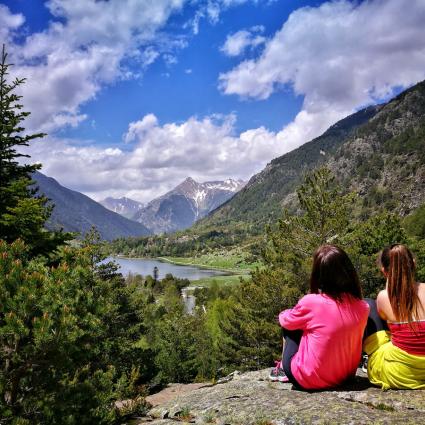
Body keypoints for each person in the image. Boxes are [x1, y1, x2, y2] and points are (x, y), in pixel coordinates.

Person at [269, 245, 369, 390]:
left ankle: (284, 369)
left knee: (290, 327)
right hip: (345, 377)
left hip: (308, 379)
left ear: (318, 275)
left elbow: (285, 320)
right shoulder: (363, 307)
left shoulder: (311, 302)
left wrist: (286, 312)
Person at [363, 244, 425, 390]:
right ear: (414, 264)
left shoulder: (384, 297)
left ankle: (366, 360)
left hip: (400, 373)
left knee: (369, 305)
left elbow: (384, 318)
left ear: (384, 271)